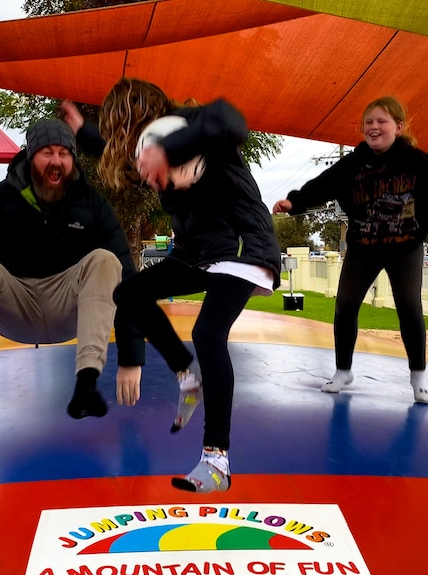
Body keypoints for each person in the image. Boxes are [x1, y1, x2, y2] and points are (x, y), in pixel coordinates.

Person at [61, 79, 282, 493]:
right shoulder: (141, 147)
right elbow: (109, 149)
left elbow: (230, 119)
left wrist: (171, 150)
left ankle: (217, 462)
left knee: (208, 333)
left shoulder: (192, 122)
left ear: (137, 113)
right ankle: (187, 376)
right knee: (128, 294)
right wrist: (80, 129)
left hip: (243, 246)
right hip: (196, 254)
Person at [0, 118, 144, 419]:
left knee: (107, 261)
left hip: (67, 308)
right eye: (47, 153)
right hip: (14, 307)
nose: (56, 161)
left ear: (72, 159)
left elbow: (130, 281)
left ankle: (86, 386)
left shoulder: (92, 204)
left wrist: (131, 359)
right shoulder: (1, 200)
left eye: (64, 153)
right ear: (31, 157)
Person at [273, 96, 428, 404]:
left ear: (398, 127)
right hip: (364, 246)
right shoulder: (352, 164)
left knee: (409, 305)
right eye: (368, 122)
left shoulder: (415, 160)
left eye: (381, 121)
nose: (373, 127)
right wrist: (294, 203)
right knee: (345, 305)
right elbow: (320, 185)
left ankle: (419, 377)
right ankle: (343, 371)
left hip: (405, 247)